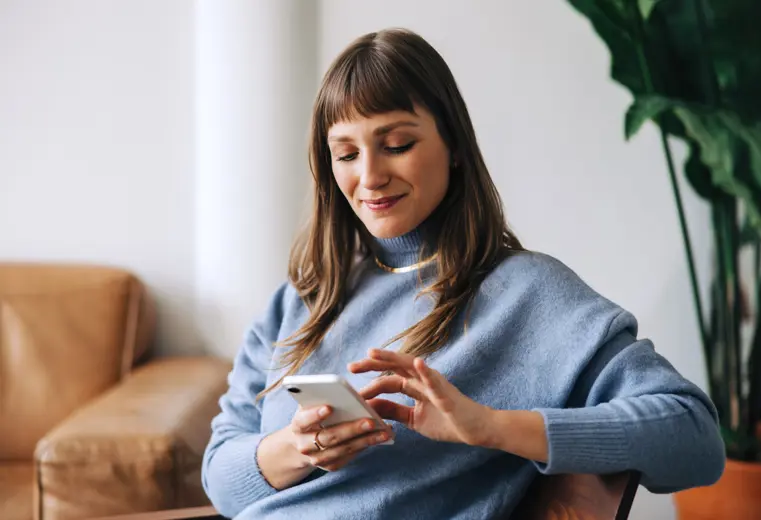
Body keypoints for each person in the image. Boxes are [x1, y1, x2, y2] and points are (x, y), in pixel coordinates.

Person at [201, 28, 725, 519]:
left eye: (398, 144)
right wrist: (297, 448)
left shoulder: (527, 294)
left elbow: (695, 437)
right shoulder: (303, 297)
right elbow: (219, 476)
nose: (370, 176)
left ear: (452, 145)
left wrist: (492, 427)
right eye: (345, 153)